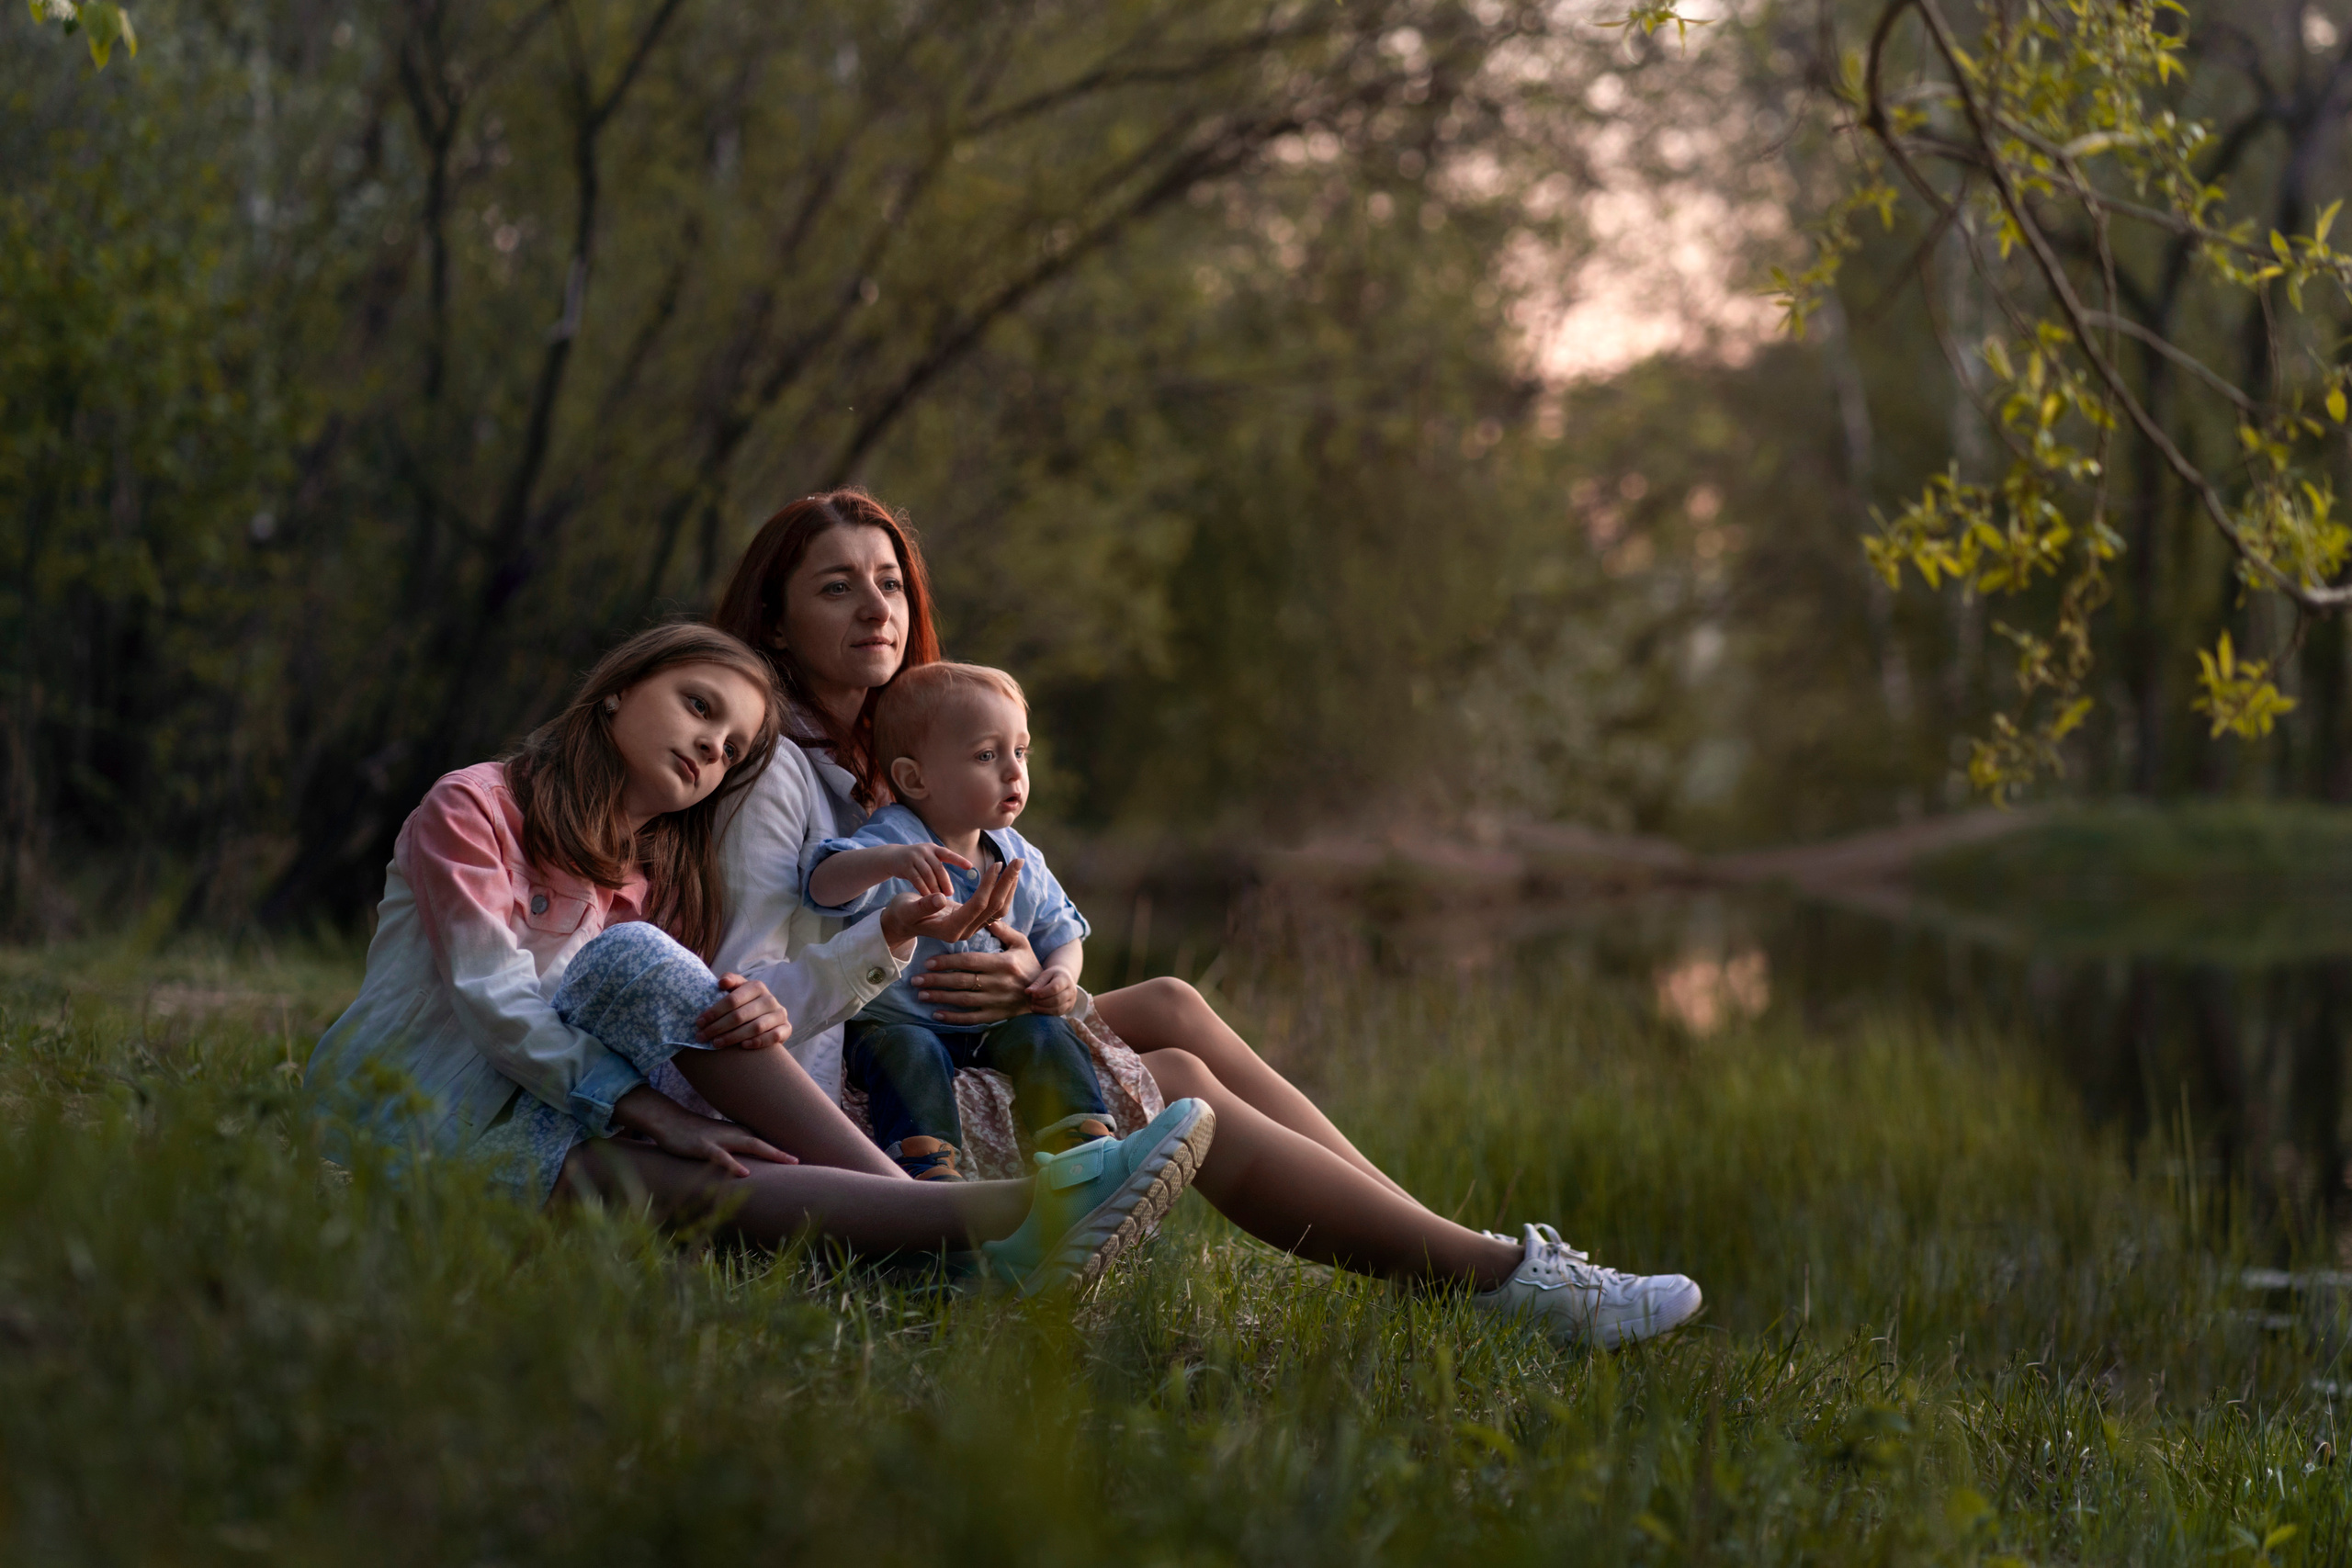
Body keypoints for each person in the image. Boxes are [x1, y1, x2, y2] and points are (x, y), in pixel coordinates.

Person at [711, 490, 1706, 1348]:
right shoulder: (776, 772)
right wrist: (908, 1008)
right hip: (860, 1088)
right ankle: (1492, 1280)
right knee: (1178, 1081)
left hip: (944, 1019)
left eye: (887, 581)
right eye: (835, 587)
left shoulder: (892, 742)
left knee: (1175, 1003)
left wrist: (1027, 969)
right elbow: (762, 995)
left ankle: (1427, 1240)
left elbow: (995, 918)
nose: (875, 608)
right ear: (775, 621)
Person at [303, 622, 1216, 1296]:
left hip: (559, 1135)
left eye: (731, 747)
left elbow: (734, 1006)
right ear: (619, 689)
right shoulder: (477, 808)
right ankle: (1014, 1213)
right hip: (408, 1119)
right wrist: (644, 1107)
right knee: (632, 998)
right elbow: (493, 997)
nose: (710, 747)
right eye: (697, 708)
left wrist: (886, 937)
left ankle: (950, 1264)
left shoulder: (661, 879)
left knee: (683, 1148)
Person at [807, 660, 1113, 1180]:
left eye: (1020, 752)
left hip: (991, 1027)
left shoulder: (1019, 856)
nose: (1014, 771)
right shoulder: (895, 838)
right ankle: (928, 1165)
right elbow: (822, 884)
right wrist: (889, 863)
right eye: (987, 756)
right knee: (907, 1052)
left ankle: (1083, 1148)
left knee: (1046, 1032)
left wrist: (1062, 975)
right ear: (914, 778)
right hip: (895, 1021)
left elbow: (1063, 932)